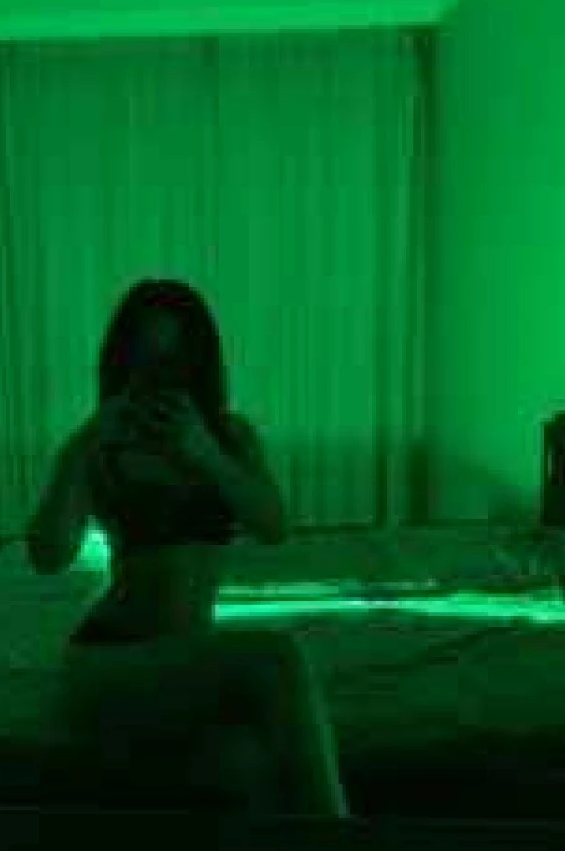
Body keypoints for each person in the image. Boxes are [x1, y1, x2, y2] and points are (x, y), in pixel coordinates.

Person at [26, 278, 349, 816]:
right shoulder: (100, 446)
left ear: (197, 363)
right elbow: (48, 556)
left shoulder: (230, 437)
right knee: (276, 658)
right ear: (122, 363)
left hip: (188, 657)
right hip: (111, 659)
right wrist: (86, 442)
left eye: (172, 359)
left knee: (248, 766)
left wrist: (204, 452)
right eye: (144, 358)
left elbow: (274, 527)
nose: (158, 374)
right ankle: (343, 847)